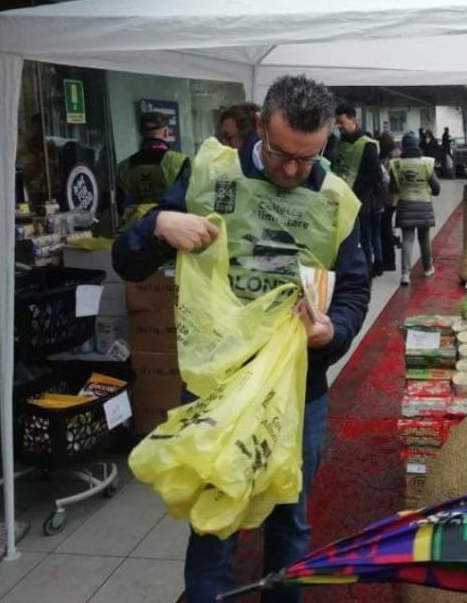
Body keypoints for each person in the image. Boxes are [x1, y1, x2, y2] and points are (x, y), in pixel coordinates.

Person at [112, 75, 371, 603]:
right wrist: (160, 224)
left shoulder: (335, 199)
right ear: (260, 128)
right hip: (217, 387)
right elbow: (127, 260)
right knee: (214, 525)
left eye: (310, 157)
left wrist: (333, 330)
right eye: (281, 155)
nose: (294, 171)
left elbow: (354, 289)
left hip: (298, 389)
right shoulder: (208, 175)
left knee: (290, 522)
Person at [331, 104, 386, 276]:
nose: (339, 126)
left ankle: (367, 272)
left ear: (353, 119)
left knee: (363, 238)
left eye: (342, 122)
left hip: (360, 200)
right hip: (339, 198)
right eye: (337, 123)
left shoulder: (367, 145)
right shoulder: (340, 143)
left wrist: (354, 188)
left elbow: (376, 174)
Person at [115, 111, 189, 230]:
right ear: (166, 133)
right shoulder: (179, 161)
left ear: (141, 134)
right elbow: (185, 200)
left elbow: (121, 205)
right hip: (170, 230)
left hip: (134, 231)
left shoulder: (123, 166)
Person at [391, 132, 440, 285]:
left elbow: (393, 187)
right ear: (417, 145)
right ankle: (427, 268)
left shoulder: (397, 164)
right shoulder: (427, 163)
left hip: (405, 204)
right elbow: (436, 188)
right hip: (424, 205)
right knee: (424, 239)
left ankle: (405, 274)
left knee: (407, 239)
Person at [378, 131, 400, 271]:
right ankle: (389, 260)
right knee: (387, 228)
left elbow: (385, 180)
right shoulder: (398, 157)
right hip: (395, 198)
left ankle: (389, 261)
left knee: (384, 229)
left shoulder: (387, 161)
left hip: (387, 198)